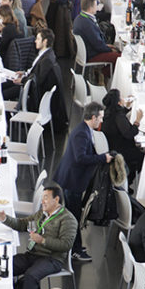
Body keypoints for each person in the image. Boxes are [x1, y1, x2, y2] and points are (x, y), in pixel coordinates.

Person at [0, 183, 77, 289]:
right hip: (33, 254)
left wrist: (43, 240)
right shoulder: (41, 214)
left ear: (56, 199)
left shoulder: (68, 219)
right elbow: (22, 224)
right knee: (5, 265)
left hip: (52, 259)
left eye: (46, 197)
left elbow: (66, 245)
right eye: (42, 197)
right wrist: (5, 219)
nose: (42, 201)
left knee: (31, 276)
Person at [54, 102, 113, 262]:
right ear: (93, 117)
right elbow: (81, 158)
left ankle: (75, 246)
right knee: (74, 217)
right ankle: (75, 250)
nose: (101, 121)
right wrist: (102, 158)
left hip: (71, 177)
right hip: (72, 180)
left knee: (73, 214)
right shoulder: (82, 133)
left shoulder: (84, 129)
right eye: (100, 118)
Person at [4, 29, 58, 112]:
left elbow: (37, 81)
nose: (35, 41)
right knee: (4, 84)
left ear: (45, 41)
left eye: (38, 39)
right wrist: (24, 73)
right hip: (26, 81)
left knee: (3, 94)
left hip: (29, 89)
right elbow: (35, 72)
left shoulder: (47, 59)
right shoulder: (44, 53)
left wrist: (22, 80)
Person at [100, 89, 144, 182]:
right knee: (142, 156)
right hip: (121, 150)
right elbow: (129, 133)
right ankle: (128, 180)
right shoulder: (118, 116)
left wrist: (126, 107)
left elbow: (119, 117)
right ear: (118, 102)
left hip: (111, 145)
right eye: (121, 97)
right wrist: (137, 121)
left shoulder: (107, 112)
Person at [73, 0, 121, 68]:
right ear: (90, 8)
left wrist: (107, 46)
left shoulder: (79, 18)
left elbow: (97, 42)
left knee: (115, 49)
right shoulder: (88, 24)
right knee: (120, 57)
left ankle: (103, 73)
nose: (97, 8)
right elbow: (98, 46)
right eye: (96, 5)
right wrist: (110, 49)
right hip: (92, 55)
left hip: (85, 52)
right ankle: (106, 73)